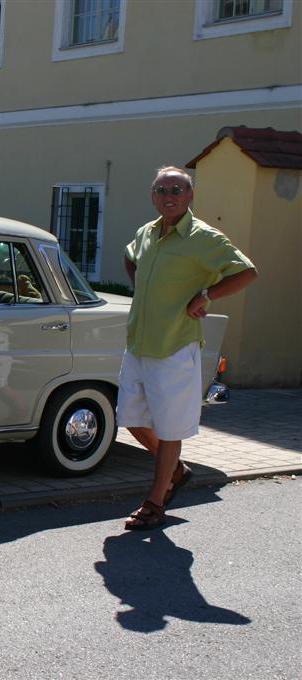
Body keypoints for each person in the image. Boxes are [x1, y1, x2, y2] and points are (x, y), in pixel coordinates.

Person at [119, 166, 257, 530]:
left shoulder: (203, 237)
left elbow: (246, 272)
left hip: (176, 346)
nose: (169, 196)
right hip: (139, 342)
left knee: (170, 430)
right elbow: (131, 257)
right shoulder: (146, 233)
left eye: (177, 190)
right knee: (129, 418)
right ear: (153, 195)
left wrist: (206, 296)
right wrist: (144, 291)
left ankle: (154, 502)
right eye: (162, 189)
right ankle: (176, 471)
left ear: (190, 195)